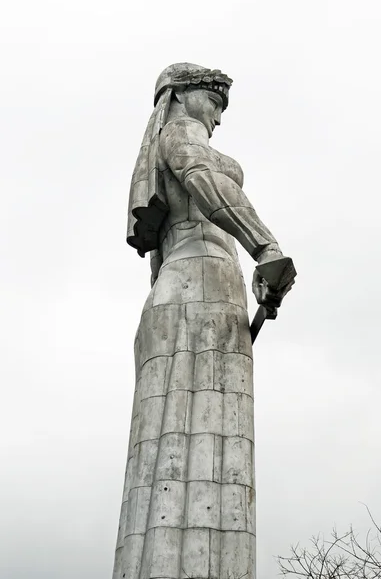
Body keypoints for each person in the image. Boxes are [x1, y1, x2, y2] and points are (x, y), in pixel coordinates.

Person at [113, 63, 295, 579]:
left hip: (184, 292)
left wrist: (260, 299)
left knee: (174, 447)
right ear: (182, 95)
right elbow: (205, 179)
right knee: (202, 449)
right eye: (214, 101)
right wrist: (266, 247)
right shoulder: (180, 133)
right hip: (203, 285)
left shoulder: (169, 141)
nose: (217, 118)